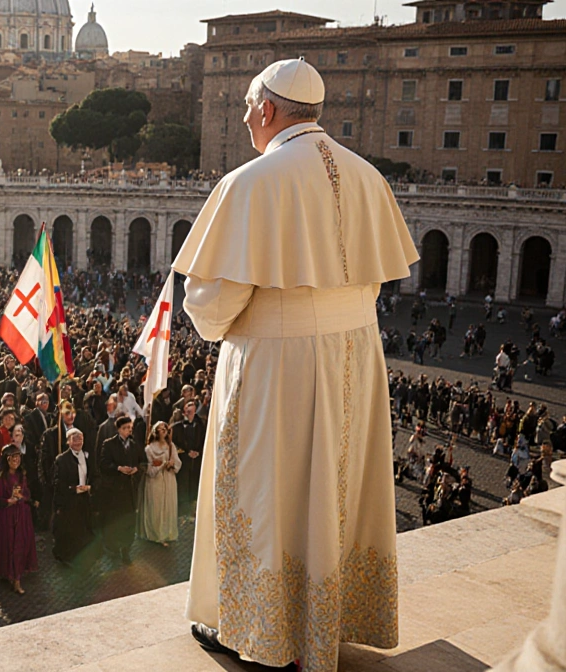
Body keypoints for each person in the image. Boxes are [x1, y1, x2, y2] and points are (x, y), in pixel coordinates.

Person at [172, 58, 415, 669]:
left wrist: (198, 301)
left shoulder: (250, 182)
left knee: (265, 494)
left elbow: (212, 306)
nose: (248, 117)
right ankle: (325, 622)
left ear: (268, 110)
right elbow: (374, 281)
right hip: (356, 358)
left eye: (250, 108)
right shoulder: (368, 177)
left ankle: (257, 633)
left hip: (278, 365)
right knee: (333, 493)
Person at [0, 444, 38, 594]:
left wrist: (24, 497)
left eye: (18, 457)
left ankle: (17, 575)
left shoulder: (22, 476)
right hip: (8, 517)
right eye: (13, 458)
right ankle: (13, 576)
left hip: (22, 515)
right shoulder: (1, 479)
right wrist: (9, 500)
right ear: (7, 460)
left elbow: (26, 493)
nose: (16, 460)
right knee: (10, 545)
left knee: (20, 544)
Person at [98, 415, 145, 564]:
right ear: (118, 429)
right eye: (125, 428)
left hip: (130, 490)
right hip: (115, 490)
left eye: (130, 428)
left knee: (129, 521)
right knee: (115, 520)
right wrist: (118, 468)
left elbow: (143, 462)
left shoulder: (134, 444)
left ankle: (126, 549)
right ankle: (113, 548)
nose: (128, 431)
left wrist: (136, 470)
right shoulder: (109, 444)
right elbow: (103, 464)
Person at [51, 428, 95, 565]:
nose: (78, 442)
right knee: (70, 529)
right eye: (74, 439)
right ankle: (67, 557)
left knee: (84, 527)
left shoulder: (88, 456)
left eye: (80, 439)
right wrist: (73, 489)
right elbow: (57, 483)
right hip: (70, 500)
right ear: (68, 442)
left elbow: (95, 476)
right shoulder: (61, 460)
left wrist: (90, 487)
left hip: (85, 499)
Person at [138, 421, 181, 546]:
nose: (164, 432)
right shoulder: (149, 449)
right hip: (155, 482)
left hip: (169, 479)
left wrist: (172, 464)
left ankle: (167, 532)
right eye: (161, 429)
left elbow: (177, 462)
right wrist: (161, 465)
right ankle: (156, 534)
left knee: (168, 505)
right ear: (156, 432)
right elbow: (150, 470)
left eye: (165, 429)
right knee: (156, 506)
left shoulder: (171, 446)